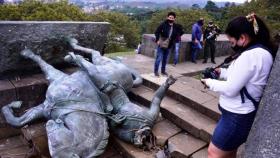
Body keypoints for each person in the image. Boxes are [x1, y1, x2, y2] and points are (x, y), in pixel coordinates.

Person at [201, 13, 275, 158]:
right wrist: (221, 72)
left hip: (236, 117)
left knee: (214, 153)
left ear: (243, 38)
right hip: (240, 115)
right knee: (228, 153)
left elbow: (230, 89)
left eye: (232, 40)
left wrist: (209, 82)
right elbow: (243, 76)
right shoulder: (261, 52)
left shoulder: (250, 56)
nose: (231, 44)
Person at [154, 11, 179, 77]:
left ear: (174, 19)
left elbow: (177, 34)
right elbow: (157, 32)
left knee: (165, 59)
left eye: (172, 18)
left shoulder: (175, 26)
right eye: (169, 17)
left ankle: (163, 71)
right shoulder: (163, 24)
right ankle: (156, 71)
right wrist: (157, 40)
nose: (170, 19)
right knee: (159, 58)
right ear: (167, 17)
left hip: (169, 45)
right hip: (162, 44)